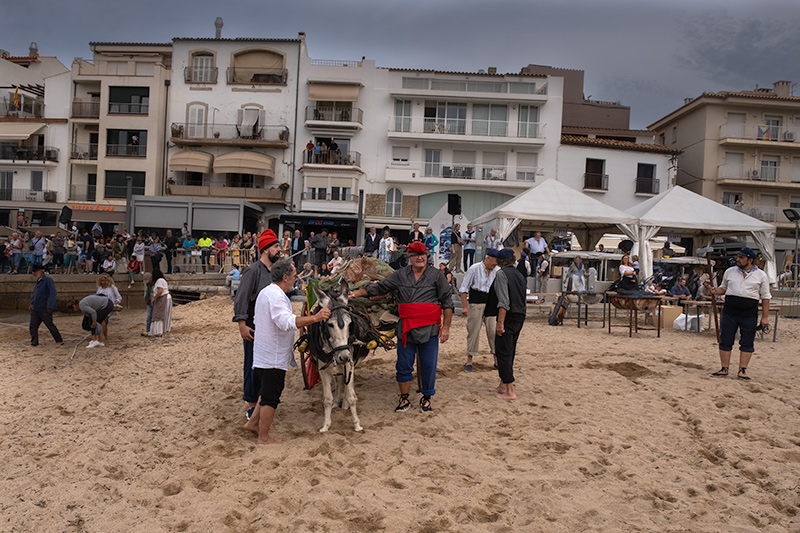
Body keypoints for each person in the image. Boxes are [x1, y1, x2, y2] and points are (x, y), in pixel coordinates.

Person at [349, 241, 453, 413]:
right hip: (406, 328)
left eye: (423, 254)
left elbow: (447, 303)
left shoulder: (437, 276)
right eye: (416, 255)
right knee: (404, 364)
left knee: (428, 364)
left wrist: (446, 328)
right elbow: (380, 287)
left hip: (430, 328)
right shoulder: (400, 275)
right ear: (409, 258)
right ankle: (404, 399)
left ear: (427, 256)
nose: (420, 258)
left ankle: (426, 398)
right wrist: (358, 293)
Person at [243, 259, 330, 444]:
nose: (295, 279)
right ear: (285, 277)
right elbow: (286, 322)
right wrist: (314, 318)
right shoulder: (276, 296)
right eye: (293, 276)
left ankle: (252, 424)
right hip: (272, 356)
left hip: (263, 353)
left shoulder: (266, 292)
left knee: (264, 392)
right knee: (270, 397)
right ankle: (263, 438)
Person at [233, 229, 282, 420]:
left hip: (271, 329)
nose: (279, 250)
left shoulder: (275, 273)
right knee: (252, 366)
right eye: (276, 247)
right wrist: (242, 325)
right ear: (265, 250)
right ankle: (252, 404)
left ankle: (264, 403)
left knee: (267, 368)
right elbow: (241, 299)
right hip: (254, 328)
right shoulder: (253, 271)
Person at [704, 247, 771, 381]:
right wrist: (715, 291)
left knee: (747, 342)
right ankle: (724, 368)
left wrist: (765, 317)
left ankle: (742, 370)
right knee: (725, 340)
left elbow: (765, 297)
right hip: (730, 311)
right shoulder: (730, 272)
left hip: (749, 313)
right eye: (737, 257)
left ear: (750, 260)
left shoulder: (761, 275)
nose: (738, 260)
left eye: (741, 257)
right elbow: (723, 288)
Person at [485, 249, 526, 400]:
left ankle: (510, 391)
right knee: (510, 350)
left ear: (499, 262)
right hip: (519, 316)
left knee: (503, 352)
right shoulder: (519, 274)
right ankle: (503, 384)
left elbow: (504, 301)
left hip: (508, 317)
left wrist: (500, 323)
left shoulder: (502, 274)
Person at [459, 249, 499, 372]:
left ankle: (496, 359)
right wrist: (464, 307)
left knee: (493, 331)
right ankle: (469, 360)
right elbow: (464, 289)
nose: (494, 265)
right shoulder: (474, 268)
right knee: (473, 331)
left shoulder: (497, 271)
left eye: (496, 263)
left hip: (491, 303)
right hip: (476, 301)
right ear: (487, 259)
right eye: (493, 263)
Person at [29, 264, 63, 347]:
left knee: (49, 325)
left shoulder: (48, 280)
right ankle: (34, 343)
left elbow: (52, 293)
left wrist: (50, 306)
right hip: (36, 308)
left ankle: (59, 340)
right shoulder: (38, 281)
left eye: (35, 271)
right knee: (32, 326)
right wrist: (32, 303)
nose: (33, 273)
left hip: (44, 307)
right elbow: (35, 294)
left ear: (41, 271)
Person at [149, 269, 172, 337]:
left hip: (163, 298)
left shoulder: (159, 281)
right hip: (166, 298)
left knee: (158, 314)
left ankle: (159, 331)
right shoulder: (162, 280)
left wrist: (154, 298)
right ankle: (163, 330)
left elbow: (160, 291)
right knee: (163, 314)